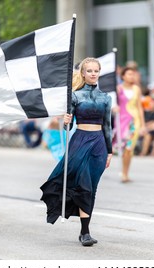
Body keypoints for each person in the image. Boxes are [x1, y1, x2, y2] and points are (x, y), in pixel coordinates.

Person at [40, 57, 113, 246]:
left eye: (96, 70)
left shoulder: (106, 98)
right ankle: (85, 232)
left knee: (92, 188)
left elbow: (107, 127)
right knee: (84, 186)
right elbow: (68, 126)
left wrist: (110, 152)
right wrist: (65, 120)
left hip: (99, 145)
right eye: (89, 71)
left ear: (99, 72)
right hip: (80, 141)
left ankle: (84, 231)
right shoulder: (74, 96)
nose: (93, 74)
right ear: (82, 73)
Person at [113, 67, 145, 183]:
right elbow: (113, 103)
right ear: (123, 76)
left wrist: (142, 125)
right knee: (123, 147)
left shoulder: (137, 89)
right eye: (129, 74)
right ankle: (124, 171)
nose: (132, 76)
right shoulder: (118, 88)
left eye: (133, 74)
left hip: (134, 122)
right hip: (122, 122)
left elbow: (140, 107)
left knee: (129, 148)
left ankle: (125, 173)